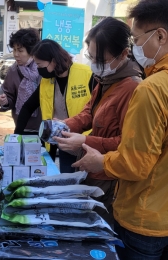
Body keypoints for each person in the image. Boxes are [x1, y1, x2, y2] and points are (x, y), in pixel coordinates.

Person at [72, 0, 168, 258]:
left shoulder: (148, 88)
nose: (134, 45)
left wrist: (98, 157)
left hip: (143, 215)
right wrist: (69, 127)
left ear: (160, 36)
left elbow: (136, 161)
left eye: (136, 39)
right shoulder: (107, 80)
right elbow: (89, 112)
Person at [53, 17, 142, 227]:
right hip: (92, 169)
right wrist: (63, 125)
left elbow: (128, 143)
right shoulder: (106, 80)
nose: (95, 64)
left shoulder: (132, 88)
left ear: (123, 54)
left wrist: (85, 141)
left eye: (100, 60)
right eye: (91, 57)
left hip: (110, 178)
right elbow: (89, 114)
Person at [14, 39, 93, 173]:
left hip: (85, 142)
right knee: (66, 178)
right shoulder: (47, 81)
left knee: (85, 181)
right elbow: (28, 107)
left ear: (53, 60)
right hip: (62, 142)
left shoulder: (86, 74)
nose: (38, 69)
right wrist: (16, 136)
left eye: (39, 65)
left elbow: (99, 109)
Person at [0, 28, 42, 134]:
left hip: (42, 126)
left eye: (20, 50)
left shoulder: (43, 68)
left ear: (31, 51)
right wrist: (6, 101)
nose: (16, 54)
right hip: (22, 125)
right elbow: (10, 95)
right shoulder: (13, 70)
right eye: (14, 49)